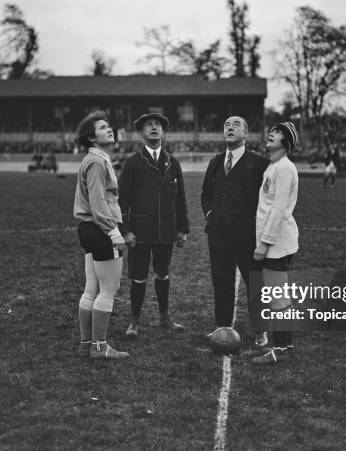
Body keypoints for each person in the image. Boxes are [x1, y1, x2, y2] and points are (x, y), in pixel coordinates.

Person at [118, 113, 190, 338]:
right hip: (140, 231)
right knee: (138, 276)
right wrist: (126, 230)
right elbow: (123, 199)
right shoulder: (132, 162)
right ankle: (135, 321)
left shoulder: (172, 161)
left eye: (158, 124)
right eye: (148, 125)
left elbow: (181, 198)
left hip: (166, 229)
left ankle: (164, 317)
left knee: (163, 274)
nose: (153, 127)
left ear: (163, 131)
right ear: (141, 133)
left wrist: (182, 229)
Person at [201, 116, 269, 346]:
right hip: (218, 234)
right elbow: (205, 195)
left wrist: (258, 231)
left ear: (246, 133)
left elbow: (266, 200)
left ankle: (261, 331)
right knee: (221, 281)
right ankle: (222, 327)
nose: (230, 128)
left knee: (254, 282)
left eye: (236, 125)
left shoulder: (259, 162)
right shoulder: (216, 160)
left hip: (247, 235)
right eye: (226, 125)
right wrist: (210, 214)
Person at [73, 111, 129, 359]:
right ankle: (99, 347)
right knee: (108, 289)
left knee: (91, 288)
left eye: (109, 126)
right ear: (91, 137)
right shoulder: (96, 162)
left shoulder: (94, 159)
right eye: (103, 127)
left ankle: (87, 344)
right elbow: (98, 204)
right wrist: (114, 231)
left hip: (88, 229)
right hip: (99, 229)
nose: (109, 129)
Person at [251, 122, 300, 364]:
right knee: (278, 295)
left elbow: (278, 209)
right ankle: (285, 347)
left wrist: (264, 242)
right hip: (276, 242)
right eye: (271, 131)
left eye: (277, 133)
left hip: (277, 243)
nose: (271, 133)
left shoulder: (283, 168)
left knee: (277, 297)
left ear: (287, 142)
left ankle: (280, 351)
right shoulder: (275, 166)